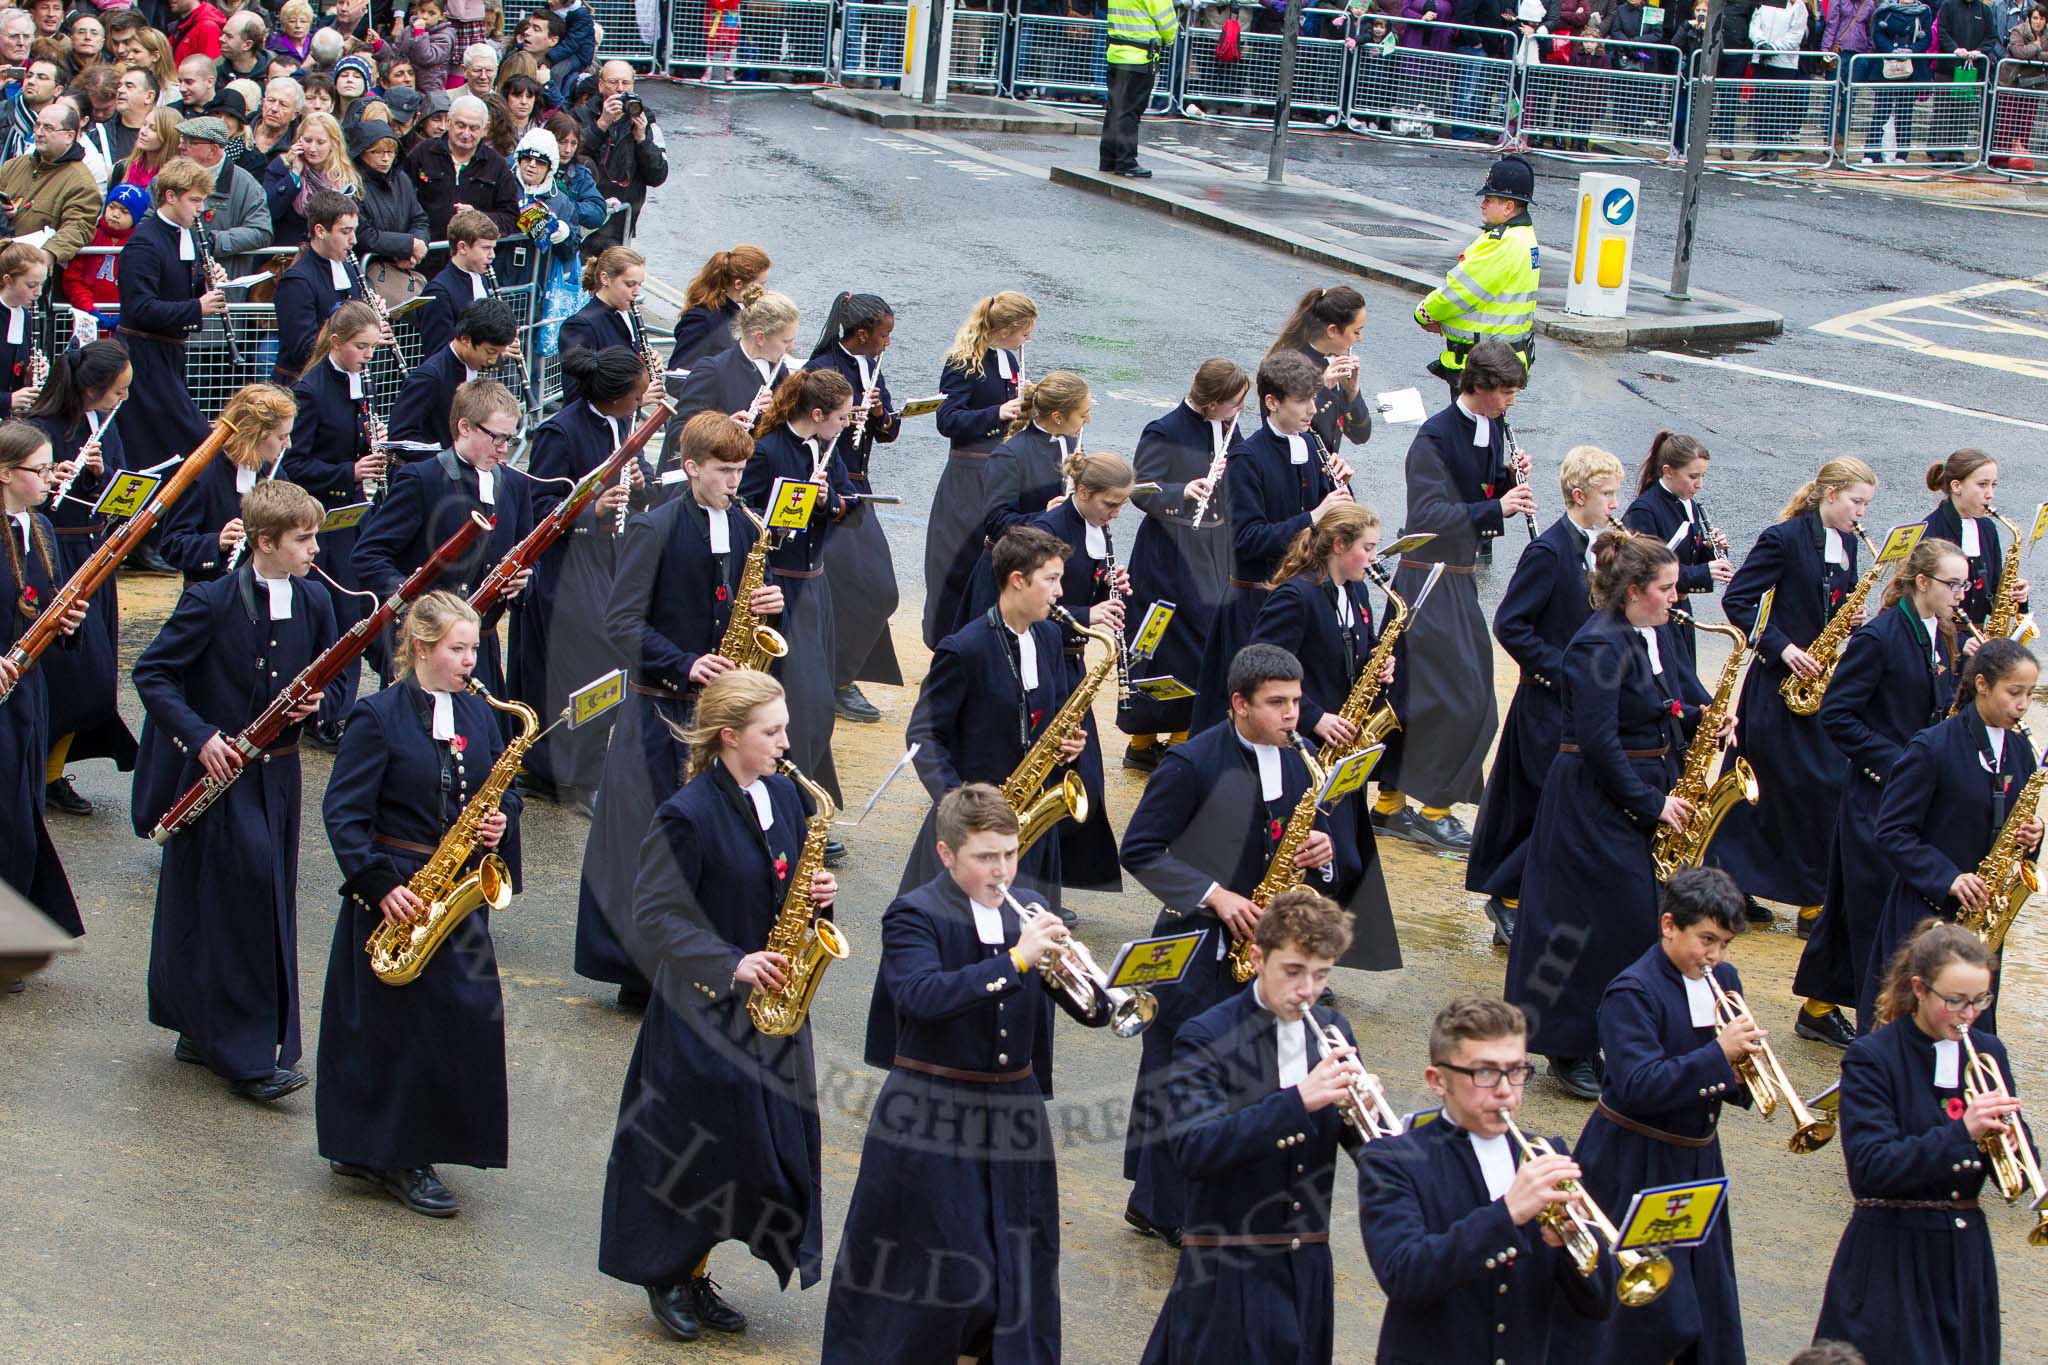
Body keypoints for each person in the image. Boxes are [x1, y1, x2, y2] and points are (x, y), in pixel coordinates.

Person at [822, 783, 1108, 1362]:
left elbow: (1090, 1012)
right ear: (947, 853)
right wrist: (1018, 960)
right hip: (932, 1108)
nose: (1000, 870)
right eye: (985, 857)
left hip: (1014, 1113)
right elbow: (920, 995)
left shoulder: (1024, 910)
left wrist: (1094, 983)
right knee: (939, 1272)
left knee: (1013, 1265)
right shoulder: (913, 914)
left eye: (1009, 853)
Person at [597, 668, 836, 1342]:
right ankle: (667, 1271)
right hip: (705, 1011)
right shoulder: (688, 812)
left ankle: (695, 1265)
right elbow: (652, 915)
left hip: (774, 1009)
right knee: (690, 1147)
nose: (787, 742)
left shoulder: (788, 796)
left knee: (753, 1149)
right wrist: (732, 962)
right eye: (773, 731)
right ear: (729, 736)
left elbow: (780, 883)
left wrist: (816, 896)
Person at [1121, 643, 1355, 1244]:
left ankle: (1199, 1199)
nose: (1291, 715)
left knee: (1237, 1069)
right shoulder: (1191, 764)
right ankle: (1161, 1206)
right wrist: (1214, 894)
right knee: (1180, 1065)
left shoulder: (1303, 760)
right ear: (1238, 704)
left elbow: (1313, 828)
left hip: (1263, 946)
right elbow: (1141, 849)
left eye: (1297, 702)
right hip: (1197, 941)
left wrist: (1322, 857)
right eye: (1276, 703)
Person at [316, 591, 520, 1218]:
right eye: (458, 649)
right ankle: (392, 1155)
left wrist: (498, 826)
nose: (470, 660)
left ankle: (409, 1143)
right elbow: (344, 813)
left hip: (454, 887)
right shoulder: (376, 716)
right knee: (389, 1028)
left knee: (457, 1019)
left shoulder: (481, 715)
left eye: (475, 648)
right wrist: (379, 886)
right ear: (423, 648)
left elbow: (501, 795)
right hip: (398, 890)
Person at [131, 479, 334, 1101]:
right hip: (218, 775)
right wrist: (200, 737)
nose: (315, 551)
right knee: (237, 900)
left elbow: (338, 669)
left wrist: (324, 706)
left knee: (252, 894)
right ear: (263, 542)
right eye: (304, 540)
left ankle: (196, 1025)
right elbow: (154, 673)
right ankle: (244, 1055)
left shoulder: (316, 601)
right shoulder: (212, 601)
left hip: (278, 772)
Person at [574, 412, 780, 1006]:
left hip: (719, 717)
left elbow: (746, 609)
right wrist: (685, 662)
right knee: (651, 840)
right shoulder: (653, 527)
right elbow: (619, 622)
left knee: (710, 841)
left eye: (741, 471)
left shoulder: (746, 529)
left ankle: (707, 961)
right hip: (658, 712)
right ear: (689, 467)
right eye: (723, 471)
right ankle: (640, 972)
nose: (735, 483)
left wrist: (772, 605)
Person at [1504, 532, 1716, 1100]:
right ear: (1633, 591)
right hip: (1593, 801)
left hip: (1643, 784)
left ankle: (1617, 1034)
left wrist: (1701, 717)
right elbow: (1598, 743)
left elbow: (1663, 700)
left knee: (1632, 918)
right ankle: (1567, 1045)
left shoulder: (1655, 630)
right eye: (1666, 589)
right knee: (1587, 922)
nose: (1676, 598)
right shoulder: (1597, 645)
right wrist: (1651, 805)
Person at [1138, 888, 1365, 1365]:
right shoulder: (1207, 1035)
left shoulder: (1333, 1029)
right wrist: (1299, 1100)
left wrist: (1368, 1120)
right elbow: (1194, 1149)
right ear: (1257, 958)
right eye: (1294, 971)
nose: (1307, 990)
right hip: (1228, 1267)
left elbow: (1363, 1148)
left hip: (1306, 1265)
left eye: (1321, 975)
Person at [1548, 867, 1755, 1365]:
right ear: (1669, 925)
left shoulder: (1723, 979)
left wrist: (1746, 1069)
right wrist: (1719, 1056)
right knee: (1627, 1307)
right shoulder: (1632, 992)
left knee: (1704, 1294)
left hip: (1697, 1158)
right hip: (1632, 1162)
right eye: (1706, 940)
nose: (1715, 956)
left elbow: (1722, 1068)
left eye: (1724, 943)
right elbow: (1638, 1084)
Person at [1358, 995, 1617, 1362]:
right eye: (1484, 1073)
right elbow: (1405, 1276)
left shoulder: (1545, 1152)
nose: (1504, 1090)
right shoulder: (1392, 1160)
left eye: (1516, 1072)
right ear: (1438, 1080)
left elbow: (1600, 1302)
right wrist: (1507, 1213)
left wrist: (1572, 1245)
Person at [1813, 920, 2018, 1364]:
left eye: (1981, 1000)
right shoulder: (1873, 1057)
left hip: (1964, 1256)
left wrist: (2015, 1149)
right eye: (1956, 1001)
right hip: (1891, 1253)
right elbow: (1869, 1170)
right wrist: (1963, 1133)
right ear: (1920, 988)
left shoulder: (1989, 1052)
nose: (1969, 1014)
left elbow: (2010, 1172)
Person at [1800, 537, 1964, 1039]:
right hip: (1877, 792)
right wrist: (1902, 763)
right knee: (1872, 909)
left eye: (1962, 583)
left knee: (1858, 903)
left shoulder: (1941, 632)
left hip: (1909, 790)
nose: (1961, 593)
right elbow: (1838, 715)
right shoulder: (1880, 637)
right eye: (1952, 584)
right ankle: (1879, 1028)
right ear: (1922, 583)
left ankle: (1820, 1008)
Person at [1374, 339, 1534, 852]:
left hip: (1457, 577)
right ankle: (1428, 809)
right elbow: (1426, 517)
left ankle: (1393, 805)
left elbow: (1474, 491)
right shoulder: (1434, 437)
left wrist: (1506, 481)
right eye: (1505, 392)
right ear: (1479, 387)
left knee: (1436, 697)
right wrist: (1499, 508)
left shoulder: (1492, 427)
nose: (1510, 401)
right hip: (1426, 578)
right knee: (1460, 701)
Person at [1716, 457, 1880, 936]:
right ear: (1829, 494)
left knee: (1825, 784)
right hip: (1776, 683)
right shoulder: (1783, 539)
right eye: (1856, 502)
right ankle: (1735, 883)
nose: (1861, 515)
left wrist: (1849, 621)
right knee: (1763, 786)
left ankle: (1811, 896)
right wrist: (1783, 647)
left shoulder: (1849, 544)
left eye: (1866, 505)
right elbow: (1738, 602)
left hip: (1821, 684)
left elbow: (1830, 601)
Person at [1468, 445, 1621, 945]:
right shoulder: (1550, 551)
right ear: (1579, 496)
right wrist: (1563, 672)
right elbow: (1511, 624)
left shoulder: (1607, 546)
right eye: (1607, 495)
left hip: (1583, 702)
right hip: (1547, 703)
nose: (1615, 505)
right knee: (1538, 805)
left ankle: (1533, 897)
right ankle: (1508, 901)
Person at [964, 451, 1135, 895]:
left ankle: (1052, 877)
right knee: (1052, 773)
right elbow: (1028, 608)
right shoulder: (1045, 532)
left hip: (1069, 657)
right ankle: (1030, 880)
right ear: (1081, 492)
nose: (1115, 514)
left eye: (1121, 506)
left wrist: (1105, 584)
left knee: (1084, 777)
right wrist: (1088, 611)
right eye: (1110, 504)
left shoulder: (1098, 529)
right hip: (1043, 657)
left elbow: (1077, 587)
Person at [900, 523, 1087, 916]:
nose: (1060, 592)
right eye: (1051, 579)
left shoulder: (1050, 638)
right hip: (971, 824)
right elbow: (923, 735)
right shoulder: (964, 649)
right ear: (1018, 580)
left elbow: (1048, 715)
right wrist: (959, 803)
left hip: (1030, 817)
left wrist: (1069, 744)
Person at [1246, 502, 1398, 971]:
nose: (1374, 559)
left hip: (1341, 747)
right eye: (1367, 549)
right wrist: (1312, 716)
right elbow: (1261, 663)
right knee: (1309, 860)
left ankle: (1306, 958)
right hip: (1305, 745)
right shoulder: (1297, 596)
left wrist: (1379, 663)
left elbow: (1350, 652)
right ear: (1338, 546)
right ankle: (1288, 958)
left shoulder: (1352, 593)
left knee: (1341, 859)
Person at [1866, 637, 2041, 1031]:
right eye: (2014, 692)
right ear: (1982, 684)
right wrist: (1949, 877)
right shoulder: (1932, 747)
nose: (2023, 705)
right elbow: (1892, 831)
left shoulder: (2020, 752)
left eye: (2030, 694)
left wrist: (2032, 836)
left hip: (1980, 916)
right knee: (1910, 1024)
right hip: (1924, 911)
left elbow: (2012, 829)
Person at [506, 345, 650, 807]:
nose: (640, 407)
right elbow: (539, 508)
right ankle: (557, 770)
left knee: (608, 660)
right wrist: (591, 512)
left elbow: (635, 478)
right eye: (635, 398)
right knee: (581, 662)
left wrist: (640, 484)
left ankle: (584, 765)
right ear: (612, 397)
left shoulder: (623, 423)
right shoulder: (560, 433)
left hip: (610, 558)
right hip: (567, 567)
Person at [1192, 351, 1352, 733]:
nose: (1313, 410)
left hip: (1303, 600)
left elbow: (1338, 522)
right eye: (1302, 401)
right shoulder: (1248, 458)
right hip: (1254, 603)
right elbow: (1248, 541)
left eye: (1314, 399)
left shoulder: (1313, 446)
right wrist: (1314, 516)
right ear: (1272, 402)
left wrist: (1343, 489)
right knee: (1247, 714)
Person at [351, 380, 534, 703]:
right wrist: (418, 601)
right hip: (424, 645)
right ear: (464, 427)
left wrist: (523, 583)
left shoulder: (516, 486)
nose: (505, 448)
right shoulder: (422, 479)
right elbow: (369, 555)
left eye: (510, 438)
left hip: (481, 647)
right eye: (497, 437)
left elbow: (530, 561)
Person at [25, 339, 137, 817]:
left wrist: (102, 472)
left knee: (94, 675)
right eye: (117, 392)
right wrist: (52, 479)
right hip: (57, 550)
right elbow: (29, 504)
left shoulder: (103, 425)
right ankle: (38, 772)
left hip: (95, 551)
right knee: (60, 673)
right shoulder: (41, 429)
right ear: (90, 389)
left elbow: (118, 491)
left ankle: (51, 771)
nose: (122, 401)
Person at [1119, 359, 1248, 769]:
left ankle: (1183, 736)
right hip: (1169, 549)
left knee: (1205, 642)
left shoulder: (1227, 427)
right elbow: (1139, 489)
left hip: (1211, 545)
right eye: (1234, 405)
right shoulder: (1164, 429)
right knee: (1159, 644)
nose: (1239, 413)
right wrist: (1182, 490)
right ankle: (1140, 743)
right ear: (1211, 403)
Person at [739, 367, 855, 822]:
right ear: (818, 413)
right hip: (781, 585)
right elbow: (745, 514)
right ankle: (793, 807)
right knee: (797, 705)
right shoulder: (768, 452)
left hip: (814, 587)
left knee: (820, 701)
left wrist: (827, 500)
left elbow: (848, 499)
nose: (847, 425)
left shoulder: (828, 448)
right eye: (842, 417)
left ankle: (802, 800)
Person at [0, 421, 90, 947]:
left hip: (26, 693)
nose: (50, 478)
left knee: (22, 813)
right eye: (39, 470)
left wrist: (67, 625)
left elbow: (39, 603)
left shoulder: (41, 529)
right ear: (7, 474)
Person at [284, 300, 386, 746]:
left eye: (372, 347)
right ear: (337, 342)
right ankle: (325, 714)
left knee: (360, 608)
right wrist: (350, 471)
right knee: (341, 613)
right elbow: (297, 463)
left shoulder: (357, 380)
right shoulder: (310, 391)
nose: (367, 355)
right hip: (324, 516)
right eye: (361, 347)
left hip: (356, 515)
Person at [804, 291, 900, 723]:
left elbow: (890, 432)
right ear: (861, 334)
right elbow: (807, 429)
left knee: (881, 590)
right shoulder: (822, 369)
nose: (887, 343)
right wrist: (843, 421)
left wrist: (877, 414)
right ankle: (834, 678)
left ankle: (840, 671)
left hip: (859, 484)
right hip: (828, 486)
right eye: (883, 335)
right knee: (843, 588)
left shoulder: (871, 366)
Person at [927, 290, 1035, 648]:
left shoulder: (1012, 360)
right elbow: (947, 419)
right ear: (1004, 329)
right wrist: (998, 413)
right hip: (968, 476)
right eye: (1024, 331)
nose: (1028, 339)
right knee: (959, 562)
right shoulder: (964, 362)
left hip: (1001, 475)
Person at [113, 157, 224, 479]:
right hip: (143, 356)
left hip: (170, 352)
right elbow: (139, 308)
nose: (199, 209)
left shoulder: (185, 236)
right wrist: (198, 307)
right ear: (170, 196)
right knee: (190, 441)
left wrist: (206, 281)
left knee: (176, 444)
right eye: (194, 200)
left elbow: (177, 288)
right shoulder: (145, 242)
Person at [1415, 154, 1539, 396]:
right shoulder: (1522, 236)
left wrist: (1423, 314)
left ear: (1508, 207)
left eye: (1489, 198)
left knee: (1471, 432)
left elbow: (1460, 292)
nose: (1482, 204)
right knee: (1481, 432)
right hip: (1499, 360)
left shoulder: (1501, 243)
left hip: (1482, 366)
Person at [156, 384, 296, 586]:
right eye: (282, 437)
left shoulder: (273, 472)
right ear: (256, 435)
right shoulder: (203, 475)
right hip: (213, 593)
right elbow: (172, 546)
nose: (288, 444)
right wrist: (217, 541)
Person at [1622, 431, 1734, 673]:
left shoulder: (1687, 503)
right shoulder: (1645, 510)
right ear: (1668, 471)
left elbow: (1686, 554)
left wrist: (1710, 551)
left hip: (1679, 610)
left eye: (1702, 476)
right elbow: (1645, 572)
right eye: (1693, 476)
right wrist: (1703, 572)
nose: (1699, 484)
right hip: (1654, 614)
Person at [663, 289, 800, 458]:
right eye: (786, 341)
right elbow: (678, 432)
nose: (791, 347)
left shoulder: (778, 369)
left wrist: (775, 412)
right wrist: (724, 430)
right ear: (760, 338)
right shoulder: (713, 370)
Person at [387, 295, 519, 451]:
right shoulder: (430, 377)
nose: (493, 360)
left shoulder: (475, 361)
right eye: (490, 352)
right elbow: (401, 436)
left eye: (499, 353)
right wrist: (446, 460)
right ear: (465, 339)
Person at [1921, 447, 2029, 633]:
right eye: (1982, 484)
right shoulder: (1931, 530)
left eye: (1993, 485)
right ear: (1957, 486)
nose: (1990, 494)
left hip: (1978, 635)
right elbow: (1922, 601)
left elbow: (1993, 591)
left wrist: (2015, 595)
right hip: (1941, 636)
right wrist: (1962, 643)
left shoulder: (1987, 528)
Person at [269, 189, 370, 383]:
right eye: (345, 232)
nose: (353, 240)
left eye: (354, 231)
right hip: (304, 385)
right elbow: (303, 350)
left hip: (343, 378)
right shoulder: (296, 281)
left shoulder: (350, 271)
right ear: (320, 231)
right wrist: (356, 343)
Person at [1266, 285, 1373, 457]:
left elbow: (1360, 435)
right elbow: (1288, 429)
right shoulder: (1287, 365)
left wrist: (1353, 392)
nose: (1360, 338)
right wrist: (1322, 389)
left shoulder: (1334, 364)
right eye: (1356, 331)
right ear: (1332, 331)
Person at [574, 61, 668, 254]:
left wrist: (642, 139)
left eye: (626, 83)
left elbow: (658, 175)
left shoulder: (645, 119)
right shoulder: (580, 115)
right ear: (600, 85)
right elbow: (572, 157)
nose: (620, 88)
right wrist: (601, 125)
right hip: (585, 218)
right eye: (613, 82)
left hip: (622, 222)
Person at [406, 92, 519, 246]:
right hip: (428, 252)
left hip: (474, 259)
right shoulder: (422, 153)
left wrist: (479, 219)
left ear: (485, 129)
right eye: (461, 125)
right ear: (449, 122)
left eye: (473, 128)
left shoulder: (497, 165)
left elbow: (511, 218)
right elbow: (403, 202)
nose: (466, 134)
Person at [0, 102, 101, 264]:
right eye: (37, 125)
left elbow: (78, 228)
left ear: (69, 136)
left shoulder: (81, 182)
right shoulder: (14, 166)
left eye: (48, 128)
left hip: (32, 270)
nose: (39, 133)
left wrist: (47, 254)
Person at [559, 245, 660, 405]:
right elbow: (576, 395)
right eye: (629, 284)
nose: (636, 292)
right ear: (605, 279)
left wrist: (645, 370)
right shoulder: (580, 325)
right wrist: (636, 399)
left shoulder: (629, 316)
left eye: (640, 284)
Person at [175, 116, 271, 273]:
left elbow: (262, 232)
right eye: (182, 139)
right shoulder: (166, 179)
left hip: (223, 283)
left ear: (212, 150)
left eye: (190, 142)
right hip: (175, 280)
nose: (181, 146)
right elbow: (147, 221)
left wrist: (215, 242)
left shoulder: (246, 185)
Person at [1100, 0, 1178, 177]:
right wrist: (1169, 39)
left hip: (1116, 54)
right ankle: (1126, 162)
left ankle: (1108, 159)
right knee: (1130, 111)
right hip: (1139, 58)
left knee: (1115, 109)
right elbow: (1167, 24)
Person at [668, 243, 770, 374]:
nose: (763, 290)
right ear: (738, 284)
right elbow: (676, 377)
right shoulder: (702, 320)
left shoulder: (739, 311)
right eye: (761, 284)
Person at [262, 109, 357, 248]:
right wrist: (294, 174)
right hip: (286, 253)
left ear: (333, 143)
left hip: (330, 251)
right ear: (299, 140)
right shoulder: (281, 167)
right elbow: (269, 211)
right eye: (307, 140)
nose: (312, 148)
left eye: (320, 142)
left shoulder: (344, 176)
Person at [415, 207, 501, 358]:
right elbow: (440, 353)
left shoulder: (482, 278)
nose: (492, 255)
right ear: (462, 247)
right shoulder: (438, 291)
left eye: (493, 248)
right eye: (486, 248)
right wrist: (493, 350)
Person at [349, 118, 428, 277]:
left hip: (402, 268)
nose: (385, 158)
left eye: (390, 152)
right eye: (377, 152)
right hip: (367, 270)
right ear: (362, 153)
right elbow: (363, 234)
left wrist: (416, 248)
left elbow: (419, 219)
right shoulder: (353, 184)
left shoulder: (402, 179)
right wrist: (408, 245)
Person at [0, 243, 49, 416]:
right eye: (31, 285)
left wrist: (30, 373)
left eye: (42, 285)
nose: (38, 292)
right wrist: (7, 400)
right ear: (8, 280)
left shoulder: (26, 316)